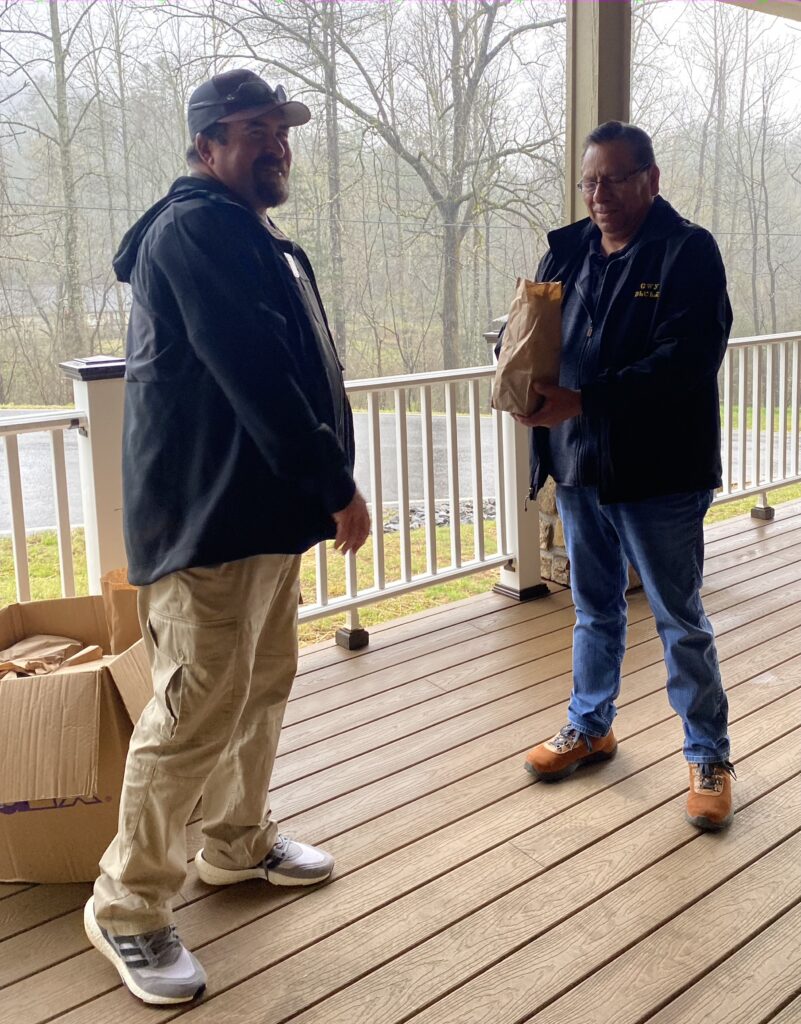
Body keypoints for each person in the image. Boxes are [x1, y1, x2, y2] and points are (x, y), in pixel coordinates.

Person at [83, 68, 370, 1006]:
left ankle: (236, 844)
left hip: (258, 520)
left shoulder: (248, 231)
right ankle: (127, 905)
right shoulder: (196, 229)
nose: (275, 143)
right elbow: (255, 373)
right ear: (206, 147)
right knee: (194, 709)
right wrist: (335, 486)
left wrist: (306, 494)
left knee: (262, 681)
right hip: (203, 522)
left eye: (280, 130)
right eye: (252, 130)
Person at [513, 121, 734, 832]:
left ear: (650, 179)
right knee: (594, 608)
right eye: (588, 181)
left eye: (613, 179)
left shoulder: (685, 253)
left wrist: (587, 398)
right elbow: (534, 330)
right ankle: (590, 725)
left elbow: (686, 359)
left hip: (659, 474)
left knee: (678, 618)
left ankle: (708, 755)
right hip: (577, 465)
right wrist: (518, 375)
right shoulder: (567, 248)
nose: (598, 195)